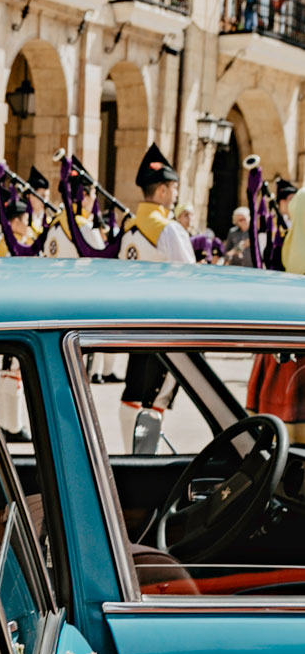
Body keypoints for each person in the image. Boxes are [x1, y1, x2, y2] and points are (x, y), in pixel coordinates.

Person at [117, 143, 194, 449]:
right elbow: (189, 278)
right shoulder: (169, 230)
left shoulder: (130, 230)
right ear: (161, 191)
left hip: (135, 322)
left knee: (133, 391)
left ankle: (129, 457)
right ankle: (142, 464)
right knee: (155, 398)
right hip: (165, 325)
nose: (176, 195)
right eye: (174, 189)